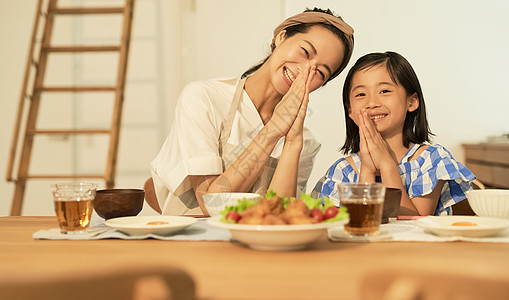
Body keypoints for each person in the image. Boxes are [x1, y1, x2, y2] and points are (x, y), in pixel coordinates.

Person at [150, 8, 355, 215]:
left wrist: (292, 145)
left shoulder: (305, 143)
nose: (305, 70)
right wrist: (273, 130)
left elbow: (278, 216)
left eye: (320, 72)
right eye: (305, 52)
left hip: (258, 244)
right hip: (191, 242)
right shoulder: (204, 98)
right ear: (281, 37)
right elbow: (209, 202)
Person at [312, 51, 475, 216]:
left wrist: (386, 164)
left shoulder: (430, 160)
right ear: (350, 110)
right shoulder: (342, 171)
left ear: (411, 102)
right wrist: (367, 170)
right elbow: (362, 225)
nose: (372, 103)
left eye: (384, 91)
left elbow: (414, 226)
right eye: (361, 94)